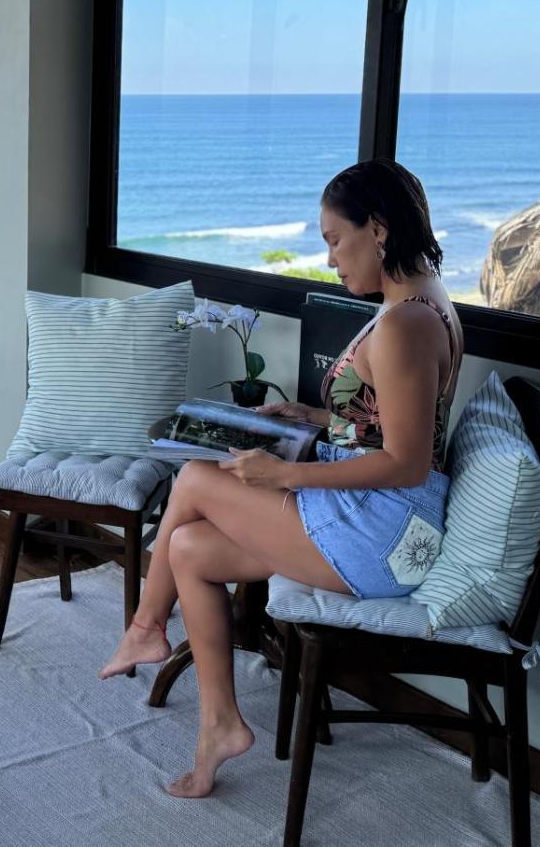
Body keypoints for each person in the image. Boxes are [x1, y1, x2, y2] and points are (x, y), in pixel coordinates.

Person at [98, 158, 464, 799]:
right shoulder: (419, 302)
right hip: (379, 516)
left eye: (335, 240)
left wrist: (284, 474)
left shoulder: (406, 323)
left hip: (383, 535)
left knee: (195, 477)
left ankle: (146, 627)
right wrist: (312, 417)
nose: (330, 259)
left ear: (378, 230)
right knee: (188, 548)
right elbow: (391, 423)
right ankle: (220, 725)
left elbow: (408, 462)